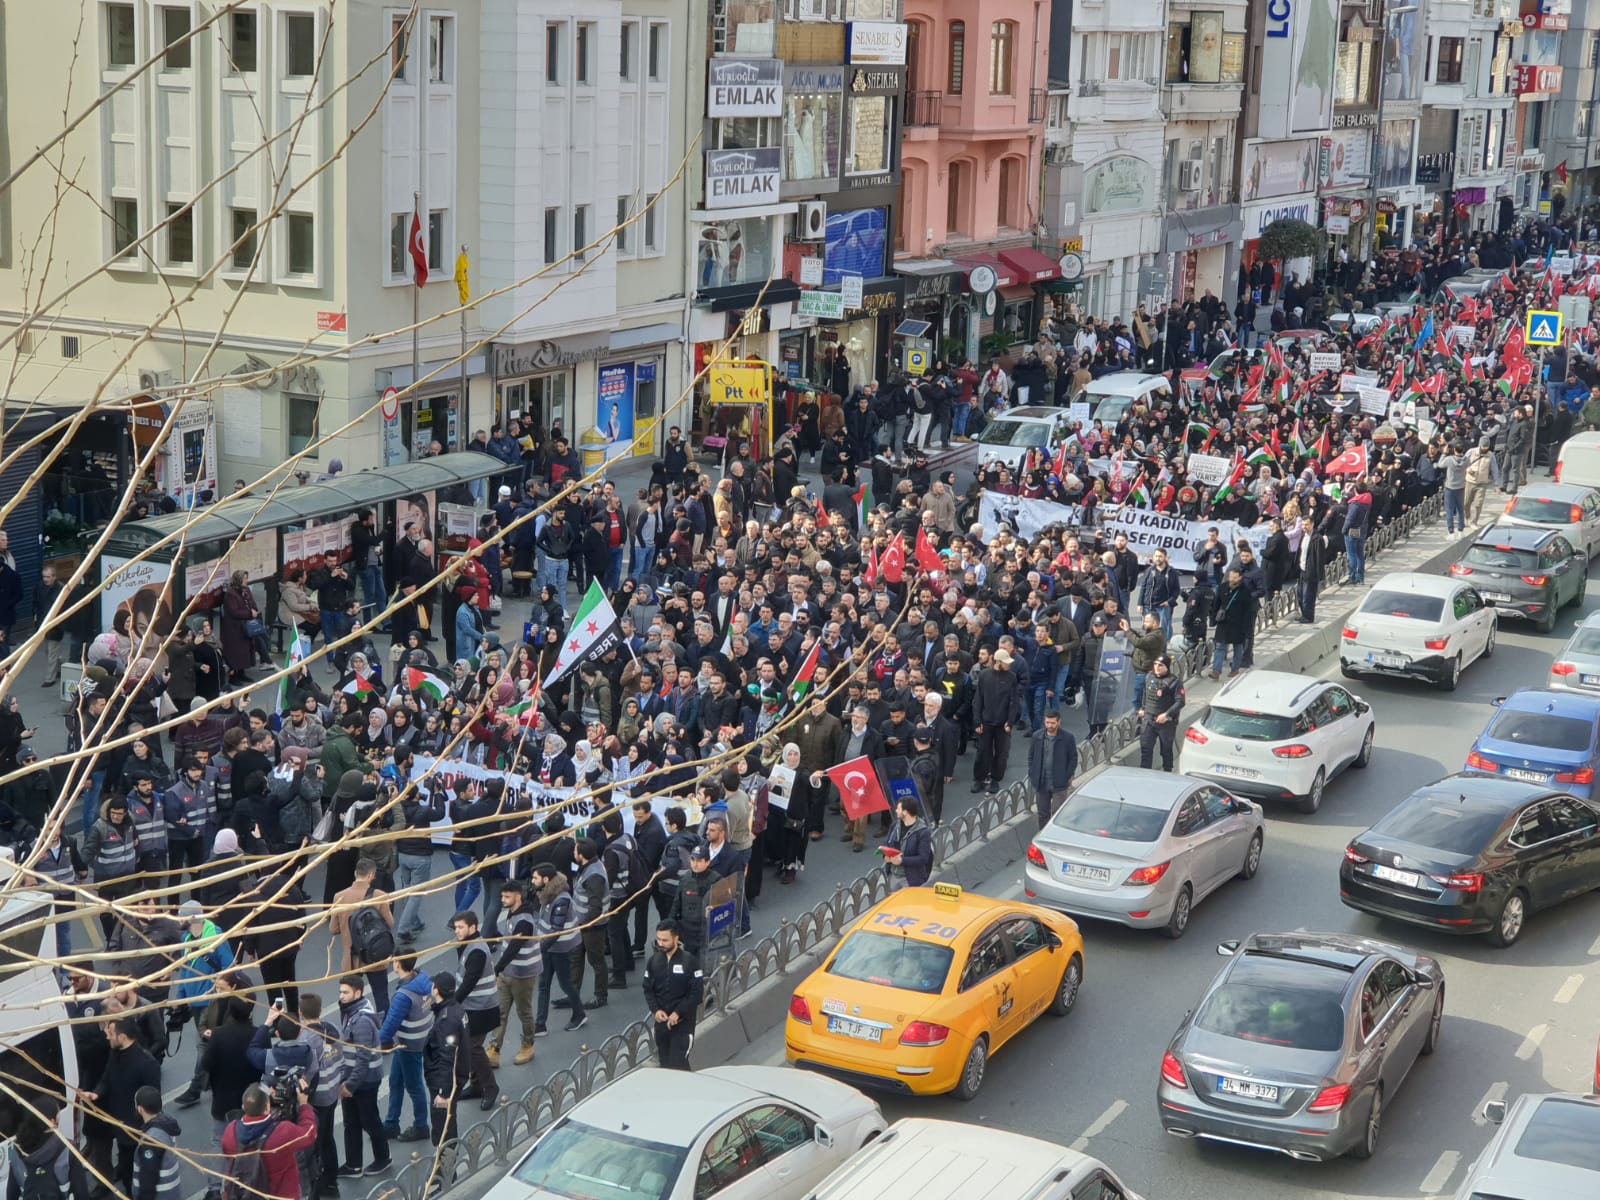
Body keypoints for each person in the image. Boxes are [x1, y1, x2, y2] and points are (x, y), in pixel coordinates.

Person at [82, 1016, 161, 1197]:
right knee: (127, 1173)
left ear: (123, 1037)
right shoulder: (115, 1054)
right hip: (119, 1124)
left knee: (138, 1175)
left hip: (135, 1130)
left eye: (110, 1034)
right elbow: (106, 1078)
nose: (107, 1037)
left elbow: (153, 1102)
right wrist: (96, 1093)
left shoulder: (147, 1064)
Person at [220, 1080, 318, 1200]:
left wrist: (264, 1095)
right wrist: (304, 1105)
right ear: (267, 1108)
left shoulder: (230, 1132)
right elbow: (309, 1133)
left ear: (243, 1107)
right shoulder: (282, 1132)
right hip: (281, 1195)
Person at [335, 976, 390, 1178]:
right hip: (354, 1078)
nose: (341, 996)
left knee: (369, 1121)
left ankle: (383, 1158)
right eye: (340, 992)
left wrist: (350, 1085)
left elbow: (363, 1058)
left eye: (346, 992)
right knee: (351, 1123)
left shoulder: (362, 1021)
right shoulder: (351, 1012)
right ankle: (353, 1165)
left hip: (364, 1081)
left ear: (358, 993)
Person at [377, 956, 433, 1144]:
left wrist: (375, 1043)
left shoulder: (403, 995)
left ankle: (421, 1126)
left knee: (414, 1086)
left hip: (408, 1044)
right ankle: (391, 1123)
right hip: (416, 1039)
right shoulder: (423, 979)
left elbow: (390, 1024)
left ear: (398, 965)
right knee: (396, 1081)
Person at [450, 910, 501, 1110]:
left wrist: (453, 1002)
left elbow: (470, 981)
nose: (457, 931)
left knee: (473, 1047)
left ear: (474, 927)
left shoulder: (477, 950)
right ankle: (477, 1085)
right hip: (473, 1006)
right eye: (456, 928)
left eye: (461, 927)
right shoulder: (468, 946)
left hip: (482, 1007)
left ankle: (490, 1087)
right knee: (467, 1046)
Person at [328, 858, 394, 1013]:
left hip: (352, 959)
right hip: (375, 956)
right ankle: (383, 1033)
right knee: (381, 996)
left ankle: (351, 1029)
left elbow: (333, 929)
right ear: (371, 875)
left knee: (348, 998)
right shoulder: (380, 895)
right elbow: (389, 924)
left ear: (355, 873)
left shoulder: (339, 897)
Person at [488, 880, 541, 1067]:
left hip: (523, 973)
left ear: (518, 897)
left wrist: (497, 968)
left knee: (523, 1011)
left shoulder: (525, 921)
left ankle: (528, 1045)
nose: (503, 900)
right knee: (500, 1012)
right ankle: (494, 1049)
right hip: (507, 972)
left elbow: (513, 948)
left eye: (507, 896)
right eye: (502, 896)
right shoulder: (513, 913)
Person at [530, 862, 588, 1034]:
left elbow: (556, 930)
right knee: (544, 984)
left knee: (565, 983)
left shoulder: (561, 899)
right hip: (549, 947)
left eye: (535, 878)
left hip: (561, 948)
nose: (532, 881)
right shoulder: (546, 893)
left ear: (546, 880)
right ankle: (540, 1025)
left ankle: (579, 1014)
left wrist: (538, 948)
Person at [641, 919, 704, 1071]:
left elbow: (696, 993)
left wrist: (678, 1012)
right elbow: (648, 989)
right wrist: (656, 1010)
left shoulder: (690, 962)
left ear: (676, 938)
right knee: (665, 1065)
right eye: (659, 939)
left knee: (679, 1065)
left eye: (665, 940)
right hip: (662, 1026)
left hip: (683, 1025)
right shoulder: (654, 961)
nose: (660, 944)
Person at [423, 971, 471, 1167]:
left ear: (437, 990)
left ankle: (445, 1172)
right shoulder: (455, 1009)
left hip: (445, 1081)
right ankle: (445, 1167)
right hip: (454, 1076)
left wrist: (443, 1092)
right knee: (447, 1122)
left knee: (444, 1127)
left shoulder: (446, 1020)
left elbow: (447, 1057)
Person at [973, 647, 1020, 795]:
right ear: (998, 662)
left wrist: (1010, 722)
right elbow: (978, 700)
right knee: (982, 752)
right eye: (1006, 662)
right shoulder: (984, 676)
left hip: (1002, 724)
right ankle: (979, 779)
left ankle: (995, 780)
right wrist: (977, 721)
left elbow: (1014, 702)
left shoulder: (1011, 677)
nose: (1009, 665)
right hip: (986, 722)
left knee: (1001, 754)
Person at [1027, 709, 1078, 829]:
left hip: (1059, 784)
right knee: (1042, 814)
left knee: (1057, 815)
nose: (1049, 726)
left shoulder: (1067, 738)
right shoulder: (1037, 736)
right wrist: (1032, 773)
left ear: (1059, 722)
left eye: (1052, 723)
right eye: (1047, 722)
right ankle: (1043, 836)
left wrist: (1066, 776)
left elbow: (1073, 758)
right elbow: (1031, 756)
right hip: (1041, 783)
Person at [1137, 655, 1185, 772]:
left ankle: (1167, 771)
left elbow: (1180, 702)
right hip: (1149, 719)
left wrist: (1167, 714)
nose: (1157, 667)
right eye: (1155, 664)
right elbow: (1146, 693)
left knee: (1166, 750)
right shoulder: (1149, 677)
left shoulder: (1174, 682)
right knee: (1146, 749)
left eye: (1160, 665)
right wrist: (1143, 708)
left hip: (1166, 723)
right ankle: (1144, 773)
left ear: (1167, 667)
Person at [880, 796, 933, 888]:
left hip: (910, 879)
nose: (896, 810)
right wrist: (885, 856)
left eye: (898, 809)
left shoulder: (923, 832)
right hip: (893, 876)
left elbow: (923, 858)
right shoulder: (895, 825)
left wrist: (902, 861)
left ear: (905, 812)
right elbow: (887, 843)